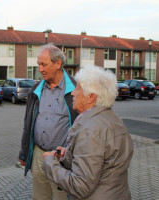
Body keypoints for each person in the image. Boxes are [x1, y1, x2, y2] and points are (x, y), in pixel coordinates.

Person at [43, 65, 133, 200]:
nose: (72, 93)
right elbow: (103, 162)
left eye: (77, 88)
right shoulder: (112, 119)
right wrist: (68, 155)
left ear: (91, 97)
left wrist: (50, 163)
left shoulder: (91, 130)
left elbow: (79, 186)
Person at [19, 44, 79, 200]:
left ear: (58, 63)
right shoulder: (35, 90)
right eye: (38, 64)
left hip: (61, 157)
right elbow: (28, 124)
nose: (40, 69)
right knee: (39, 197)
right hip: (39, 154)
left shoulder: (76, 89)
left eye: (44, 64)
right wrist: (24, 153)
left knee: (62, 197)